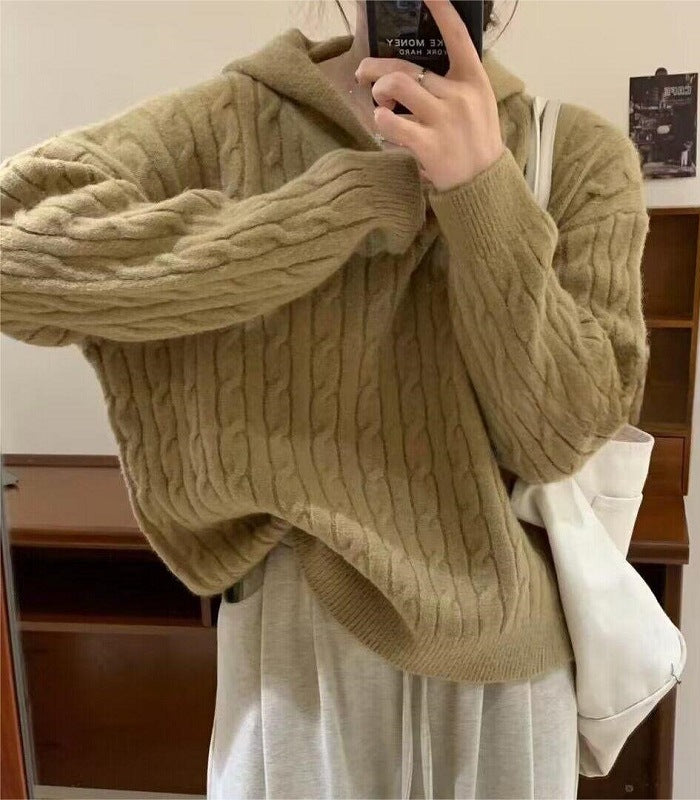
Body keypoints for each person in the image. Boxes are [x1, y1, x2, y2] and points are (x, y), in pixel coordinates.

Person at [0, 0, 650, 797]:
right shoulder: (233, 118)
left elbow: (560, 435)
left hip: (507, 671)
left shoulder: (575, 155)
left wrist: (482, 189)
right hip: (297, 650)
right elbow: (14, 250)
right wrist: (340, 206)